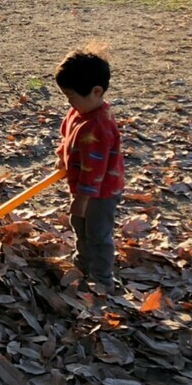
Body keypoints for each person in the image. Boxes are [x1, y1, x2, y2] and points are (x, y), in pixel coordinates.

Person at [54, 46, 125, 294]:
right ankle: (82, 264)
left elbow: (95, 170)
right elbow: (67, 134)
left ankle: (103, 279)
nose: (69, 102)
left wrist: (82, 200)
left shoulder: (99, 127)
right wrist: (62, 157)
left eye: (71, 96)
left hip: (100, 193)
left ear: (97, 92)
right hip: (82, 187)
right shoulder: (79, 111)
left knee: (97, 235)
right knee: (79, 226)